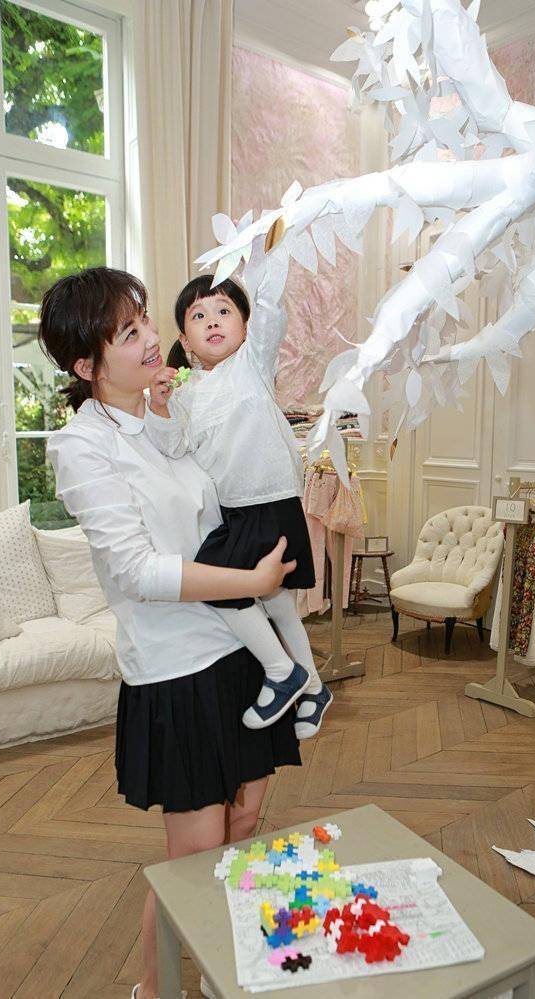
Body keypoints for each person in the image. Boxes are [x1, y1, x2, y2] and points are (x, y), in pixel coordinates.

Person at [40, 266, 301, 999]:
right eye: (129, 333)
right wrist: (249, 583)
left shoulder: (171, 411)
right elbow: (135, 569)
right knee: (195, 854)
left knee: (246, 820)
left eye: (147, 320)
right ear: (86, 366)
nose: (153, 339)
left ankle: (225, 972)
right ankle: (153, 991)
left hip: (240, 650)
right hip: (177, 667)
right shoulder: (82, 447)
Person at [146, 274, 333, 739]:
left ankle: (282, 671)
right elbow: (174, 446)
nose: (212, 321)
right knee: (279, 604)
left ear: (247, 327)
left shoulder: (251, 363)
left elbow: (272, 312)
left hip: (271, 500)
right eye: (199, 316)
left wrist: (265, 257)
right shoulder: (186, 392)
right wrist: (161, 407)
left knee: (216, 583)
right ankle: (312, 688)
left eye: (224, 311)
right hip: (235, 509)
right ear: (185, 340)